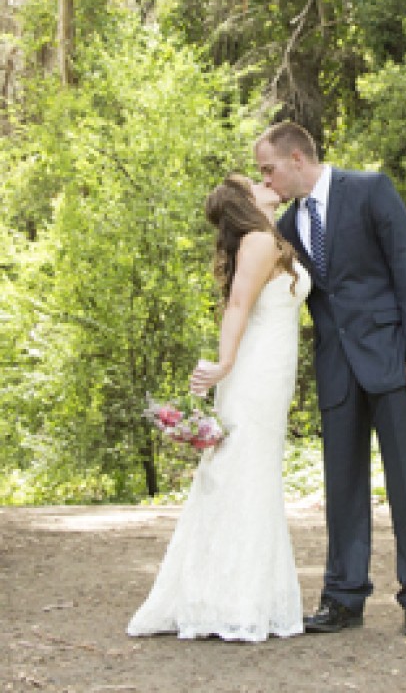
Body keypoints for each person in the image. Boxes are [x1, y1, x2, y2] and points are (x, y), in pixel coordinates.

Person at [255, 122, 406, 637]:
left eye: (268, 169)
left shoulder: (369, 190)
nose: (266, 180)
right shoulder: (288, 225)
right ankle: (343, 597)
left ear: (297, 158)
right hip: (336, 367)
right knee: (341, 486)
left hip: (391, 359)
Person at [127, 174, 311, 642]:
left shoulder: (270, 238)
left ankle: (241, 597)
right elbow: (236, 307)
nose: (266, 182)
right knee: (244, 475)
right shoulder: (257, 242)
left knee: (252, 472)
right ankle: (234, 602)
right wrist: (225, 362)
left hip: (272, 371)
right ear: (246, 202)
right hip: (254, 373)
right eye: (256, 182)